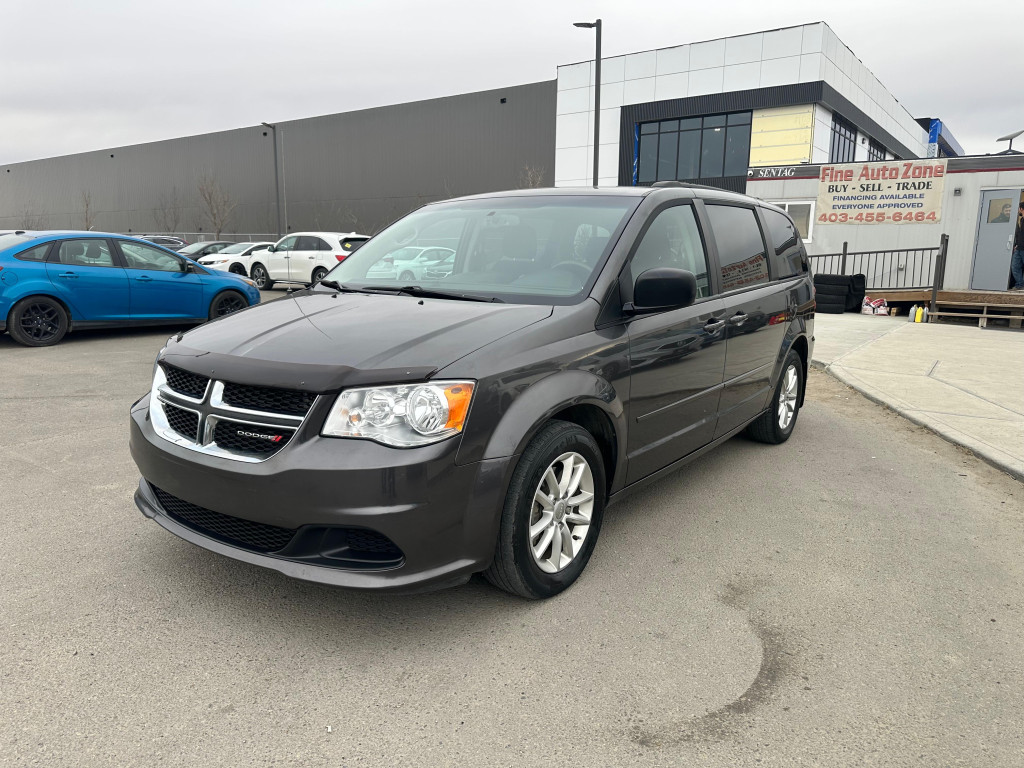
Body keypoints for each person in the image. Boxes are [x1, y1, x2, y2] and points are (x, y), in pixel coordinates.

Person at [1012, 201, 1024, 290]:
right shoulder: (1021, 220)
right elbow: (1020, 234)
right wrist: (1016, 244)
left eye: (1018, 209)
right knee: (1015, 266)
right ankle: (1020, 284)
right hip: (1019, 248)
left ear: (1021, 209)